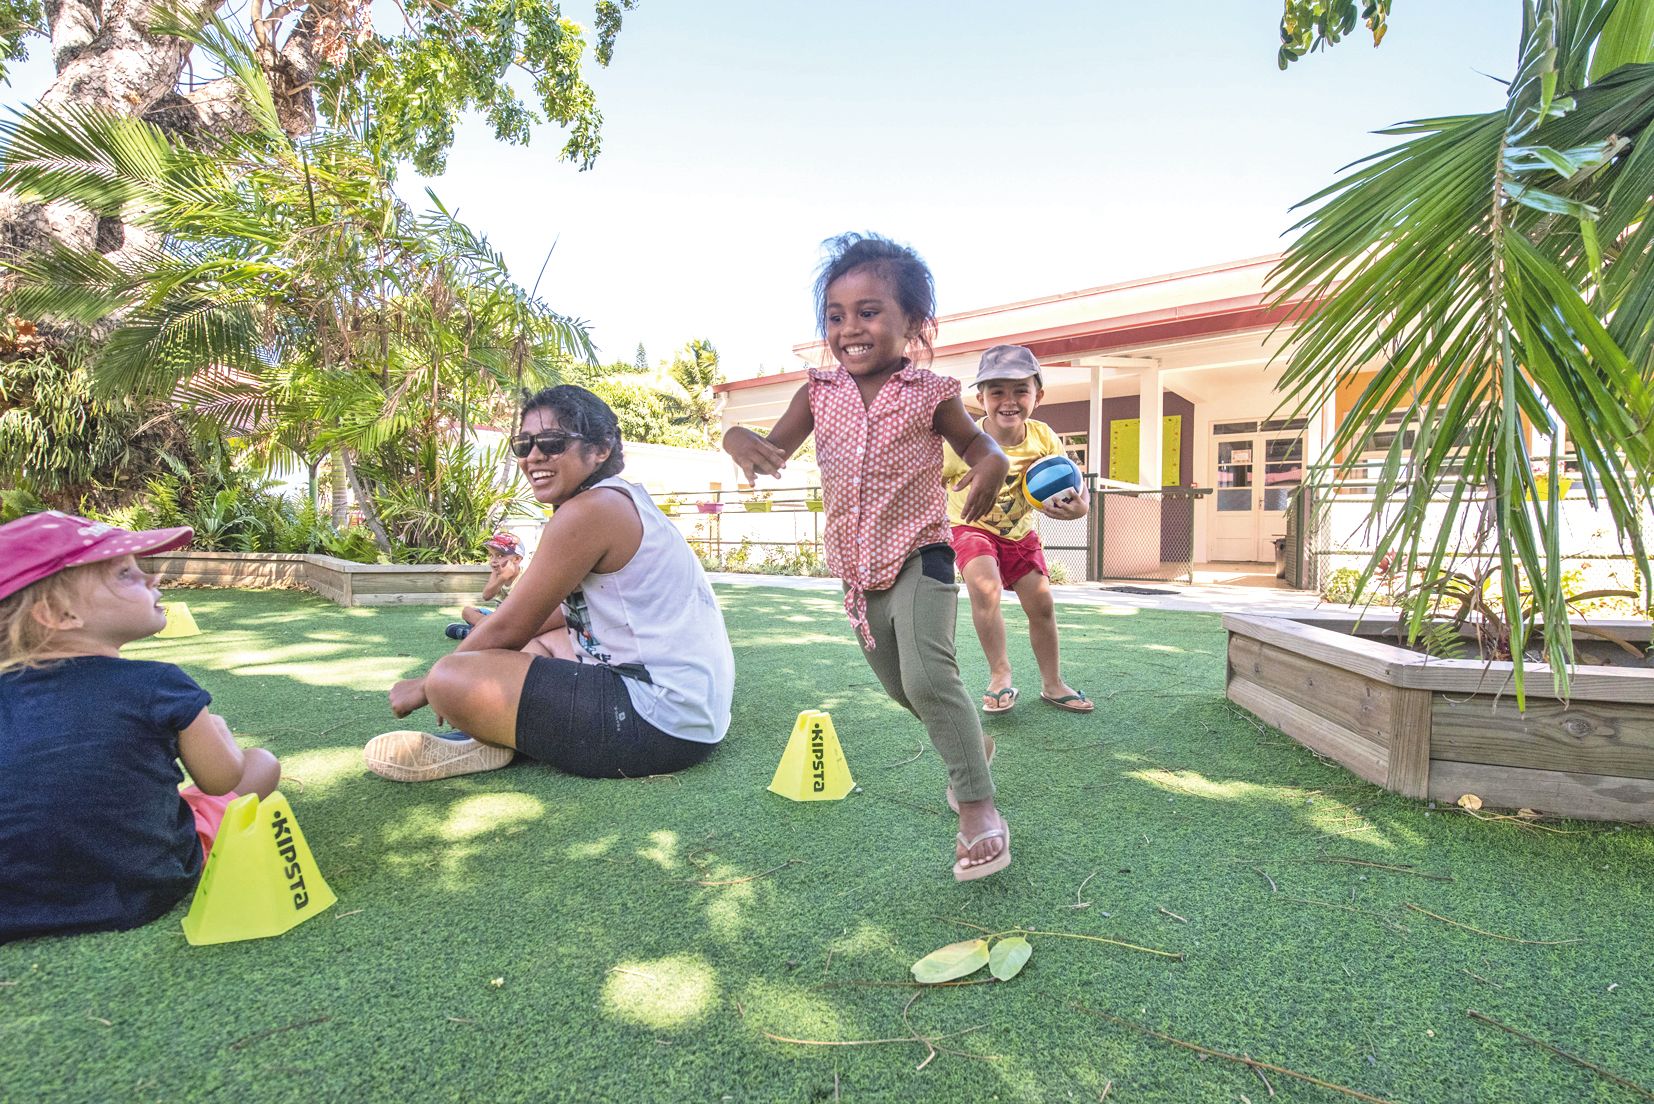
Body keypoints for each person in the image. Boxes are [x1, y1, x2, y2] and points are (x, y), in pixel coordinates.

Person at [723, 231, 1014, 881]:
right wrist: (735, 437)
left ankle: (977, 810)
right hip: (858, 572)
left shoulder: (929, 392)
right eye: (836, 315)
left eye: (869, 311)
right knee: (901, 688)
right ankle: (972, 745)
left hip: (921, 553)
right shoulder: (817, 393)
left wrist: (991, 466)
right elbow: (769, 449)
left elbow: (979, 448)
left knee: (929, 679)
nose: (850, 328)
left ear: (913, 323)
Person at [370, 384, 734, 782]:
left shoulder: (591, 510)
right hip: (693, 711)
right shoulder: (618, 500)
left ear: (601, 449)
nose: (534, 456)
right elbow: (551, 617)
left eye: (553, 441)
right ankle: (501, 734)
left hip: (657, 725)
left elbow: (511, 625)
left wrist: (426, 685)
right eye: (523, 444)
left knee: (450, 678)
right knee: (531, 647)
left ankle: (493, 733)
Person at [0, 512, 282, 944]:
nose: (150, 579)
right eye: (126, 574)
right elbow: (222, 778)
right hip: (140, 888)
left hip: (12, 905)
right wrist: (219, 730)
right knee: (262, 764)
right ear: (59, 612)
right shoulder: (159, 683)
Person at [943, 345, 1093, 714]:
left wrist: (1081, 508)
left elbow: (1074, 481)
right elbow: (931, 480)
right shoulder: (963, 443)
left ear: (1037, 396)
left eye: (1020, 391)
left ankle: (1053, 683)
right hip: (970, 527)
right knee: (985, 588)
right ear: (980, 398)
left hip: (1019, 534)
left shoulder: (1043, 438)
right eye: (997, 392)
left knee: (1042, 605)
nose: (1008, 401)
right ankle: (1000, 675)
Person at [444, 531, 524, 640]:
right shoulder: (497, 573)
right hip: (497, 620)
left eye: (500, 555)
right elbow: (486, 596)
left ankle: (475, 633)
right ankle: (486, 632)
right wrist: (502, 578)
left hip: (515, 622)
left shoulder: (525, 577)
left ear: (517, 559)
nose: (494, 561)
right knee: (467, 611)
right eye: (491, 555)